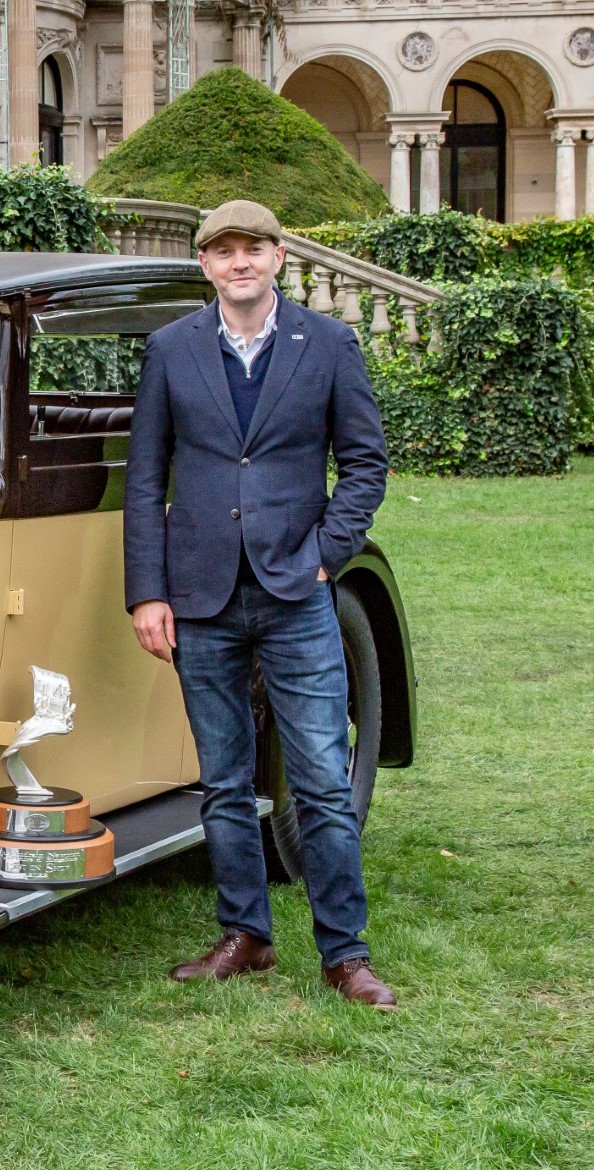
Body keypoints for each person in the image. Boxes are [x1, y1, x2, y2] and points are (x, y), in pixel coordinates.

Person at [124, 200, 396, 1009]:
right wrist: (147, 590)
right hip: (201, 593)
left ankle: (345, 953)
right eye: (223, 250)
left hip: (295, 593)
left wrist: (324, 558)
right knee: (223, 780)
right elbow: (146, 480)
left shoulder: (330, 345)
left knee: (317, 775)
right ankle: (246, 935)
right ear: (205, 265)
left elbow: (366, 463)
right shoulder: (172, 350)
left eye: (254, 249)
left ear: (279, 258)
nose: (239, 262)